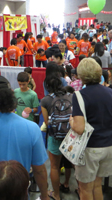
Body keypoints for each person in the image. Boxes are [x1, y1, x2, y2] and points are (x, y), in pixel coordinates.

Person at [70, 58, 112, 200]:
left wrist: (71, 121)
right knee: (97, 185)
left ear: (80, 75)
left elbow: (79, 128)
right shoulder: (109, 92)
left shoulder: (80, 95)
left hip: (90, 148)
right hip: (108, 146)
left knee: (85, 188)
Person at [41, 62, 73, 200]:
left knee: (54, 166)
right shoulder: (71, 96)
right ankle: (66, 183)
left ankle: (56, 194)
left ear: (47, 86)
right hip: (70, 136)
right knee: (68, 164)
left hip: (55, 136)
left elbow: (47, 122)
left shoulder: (45, 100)